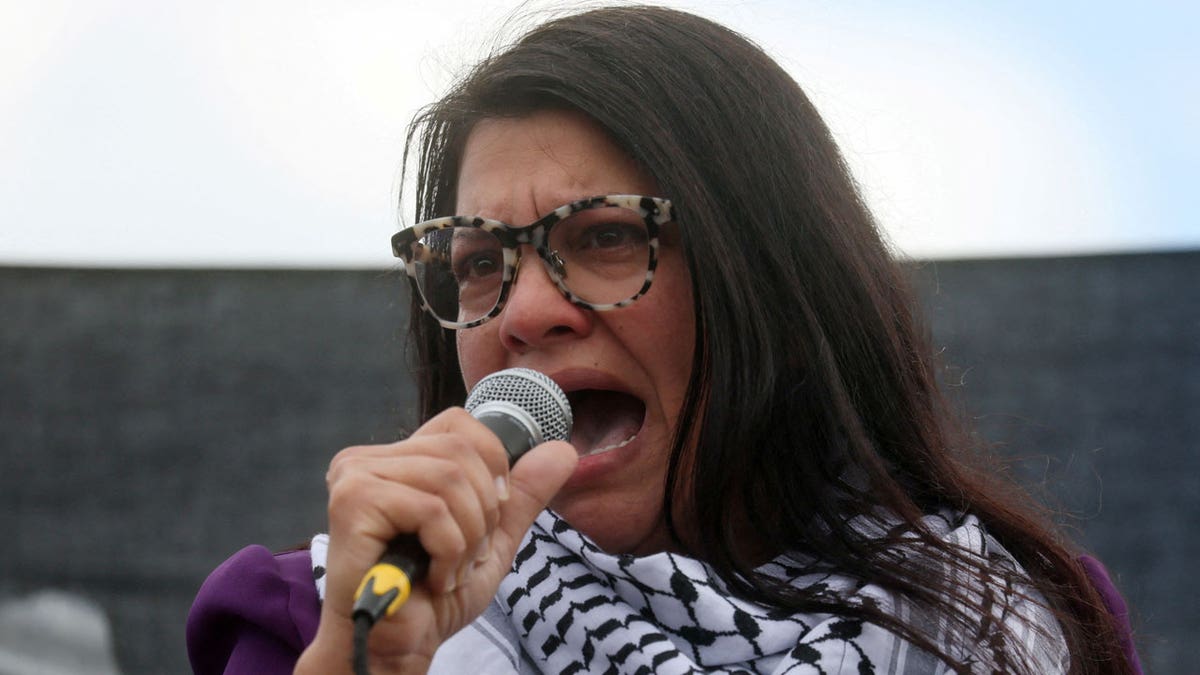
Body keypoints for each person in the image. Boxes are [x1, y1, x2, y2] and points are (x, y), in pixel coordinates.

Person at [187, 5, 1141, 674]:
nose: (522, 312)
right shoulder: (316, 616)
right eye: (479, 261)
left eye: (605, 237)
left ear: (777, 280)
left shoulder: (1011, 624)